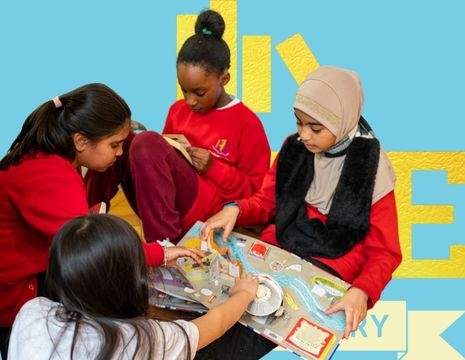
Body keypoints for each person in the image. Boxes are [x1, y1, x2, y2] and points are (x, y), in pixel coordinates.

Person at [0, 83, 203, 359]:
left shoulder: (54, 155)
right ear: (81, 141)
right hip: (12, 296)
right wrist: (160, 252)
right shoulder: (51, 176)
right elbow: (94, 250)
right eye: (114, 145)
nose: (119, 153)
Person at [201, 65, 403, 339]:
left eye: (315, 127)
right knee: (215, 302)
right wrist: (236, 209)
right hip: (280, 249)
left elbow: (385, 253)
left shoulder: (372, 169)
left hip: (331, 265)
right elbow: (266, 203)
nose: (304, 135)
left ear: (342, 121)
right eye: (299, 122)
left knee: (253, 333)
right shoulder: (294, 148)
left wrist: (362, 290)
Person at [84, 8, 271, 244]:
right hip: (165, 208)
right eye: (185, 90)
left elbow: (254, 199)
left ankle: (164, 249)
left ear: (224, 79)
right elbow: (155, 173)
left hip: (207, 213)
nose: (190, 100)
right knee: (120, 140)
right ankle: (82, 221)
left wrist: (213, 167)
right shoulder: (177, 110)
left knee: (146, 142)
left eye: (199, 92)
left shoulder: (247, 123)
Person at [7, 213, 260, 360]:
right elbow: (213, 325)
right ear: (130, 282)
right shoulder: (141, 339)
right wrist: (244, 293)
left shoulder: (33, 311)